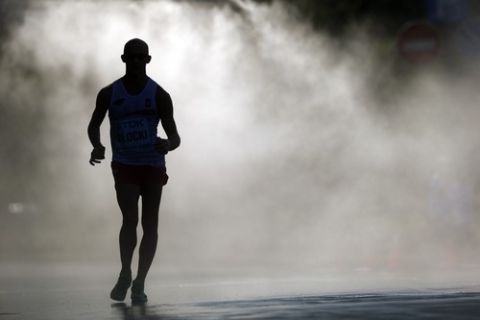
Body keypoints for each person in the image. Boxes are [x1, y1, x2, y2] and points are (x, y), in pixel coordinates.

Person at [87, 38, 180, 304]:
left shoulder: (159, 95)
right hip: (125, 164)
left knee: (150, 224)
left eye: (142, 57)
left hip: (152, 164)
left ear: (148, 60)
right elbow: (93, 125)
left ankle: (140, 281)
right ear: (123, 59)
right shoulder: (109, 93)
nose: (137, 61)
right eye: (132, 57)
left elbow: (175, 137)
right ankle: (125, 271)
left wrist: (168, 144)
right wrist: (97, 146)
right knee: (130, 219)